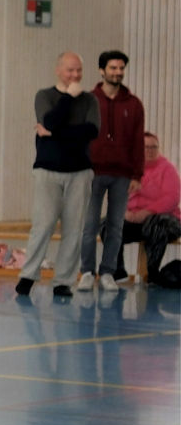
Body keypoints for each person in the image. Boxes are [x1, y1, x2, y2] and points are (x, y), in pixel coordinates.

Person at [16, 52, 98, 299]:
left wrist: (54, 134)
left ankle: (63, 281)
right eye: (70, 70)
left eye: (79, 70)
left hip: (80, 171)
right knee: (43, 224)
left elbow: (91, 131)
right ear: (58, 70)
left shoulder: (90, 100)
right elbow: (49, 120)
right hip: (48, 169)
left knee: (74, 228)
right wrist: (68, 98)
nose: (75, 75)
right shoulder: (44, 96)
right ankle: (28, 275)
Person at [77, 50, 143, 292]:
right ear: (101, 70)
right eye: (113, 68)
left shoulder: (134, 104)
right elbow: (79, 137)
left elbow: (138, 141)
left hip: (122, 175)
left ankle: (107, 272)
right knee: (89, 225)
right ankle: (86, 271)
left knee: (115, 226)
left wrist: (137, 175)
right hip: (92, 172)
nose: (118, 72)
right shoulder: (87, 100)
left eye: (121, 68)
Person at [121, 131, 179, 283]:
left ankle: (152, 273)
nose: (150, 151)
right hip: (135, 219)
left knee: (156, 224)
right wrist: (124, 212)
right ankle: (116, 271)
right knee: (109, 224)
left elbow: (171, 199)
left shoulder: (168, 169)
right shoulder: (128, 170)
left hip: (165, 220)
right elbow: (117, 195)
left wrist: (147, 212)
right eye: (146, 147)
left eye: (154, 147)